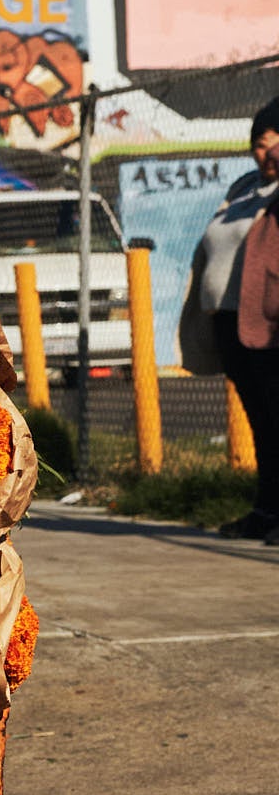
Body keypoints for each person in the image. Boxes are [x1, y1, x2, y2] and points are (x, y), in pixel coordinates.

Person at [180, 99, 279, 540]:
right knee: (263, 422)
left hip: (270, 325)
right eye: (259, 144)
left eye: (275, 143)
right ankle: (267, 510)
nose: (265, 153)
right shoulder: (244, 188)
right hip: (232, 324)